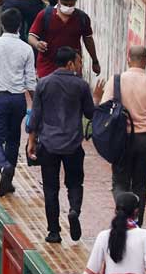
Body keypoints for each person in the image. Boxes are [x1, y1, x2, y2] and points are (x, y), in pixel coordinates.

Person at [25, 47, 96, 243]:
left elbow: (36, 116)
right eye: (79, 62)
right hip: (73, 144)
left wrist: (32, 141)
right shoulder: (81, 86)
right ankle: (73, 210)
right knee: (74, 183)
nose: (81, 66)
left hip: (48, 144)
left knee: (50, 188)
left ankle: (54, 232)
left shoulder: (44, 84)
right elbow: (90, 113)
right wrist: (96, 99)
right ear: (70, 64)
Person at [0, 9, 40, 196]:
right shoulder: (26, 49)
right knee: (13, 140)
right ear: (20, 26)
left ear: (2, 25)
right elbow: (30, 81)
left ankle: (4, 167)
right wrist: (35, 103)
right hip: (17, 100)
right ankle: (8, 180)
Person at [104, 44, 146, 206]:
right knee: (140, 184)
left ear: (128, 59)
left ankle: (122, 217)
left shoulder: (115, 81)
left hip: (121, 140)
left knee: (119, 183)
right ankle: (137, 223)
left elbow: (104, 110)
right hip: (144, 140)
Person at [28, 0, 100, 81]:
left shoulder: (82, 18)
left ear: (75, 1)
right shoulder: (45, 15)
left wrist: (94, 61)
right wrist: (37, 44)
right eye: (65, 4)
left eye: (71, 5)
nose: (68, 7)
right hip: (48, 68)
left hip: (72, 68)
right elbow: (31, 36)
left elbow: (88, 40)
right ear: (58, 0)